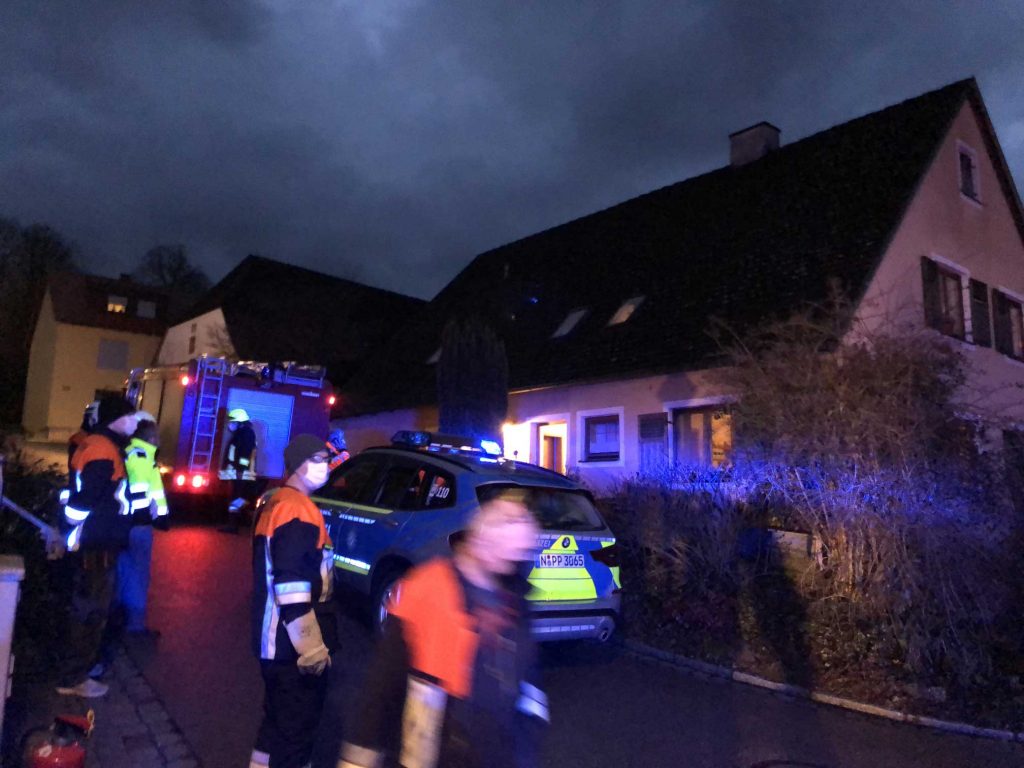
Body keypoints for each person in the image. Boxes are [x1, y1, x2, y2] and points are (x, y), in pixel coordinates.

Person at [337, 488, 549, 768]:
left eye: (524, 522)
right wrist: (358, 760)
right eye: (507, 519)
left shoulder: (515, 600)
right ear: (478, 527)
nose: (519, 531)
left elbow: (529, 687)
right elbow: (381, 692)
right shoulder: (429, 589)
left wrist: (525, 751)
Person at [249, 434, 336, 768]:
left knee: (275, 726)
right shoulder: (298, 510)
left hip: (273, 644)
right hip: (289, 649)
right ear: (298, 465)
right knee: (296, 736)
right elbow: (292, 585)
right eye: (318, 459)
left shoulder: (277, 502)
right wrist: (310, 648)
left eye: (326, 459)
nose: (325, 466)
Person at [55, 395, 138, 698]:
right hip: (97, 543)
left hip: (97, 540)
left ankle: (75, 671)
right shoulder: (103, 449)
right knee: (90, 611)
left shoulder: (101, 445)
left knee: (90, 607)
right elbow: (86, 499)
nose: (135, 422)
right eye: (131, 417)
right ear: (117, 419)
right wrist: (69, 528)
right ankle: (73, 677)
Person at [117, 413, 169, 637]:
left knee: (125, 571)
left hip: (129, 523)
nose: (159, 440)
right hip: (138, 525)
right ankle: (134, 626)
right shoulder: (141, 456)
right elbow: (139, 491)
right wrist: (147, 518)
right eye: (157, 436)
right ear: (151, 438)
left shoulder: (132, 452)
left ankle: (118, 620)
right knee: (138, 575)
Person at [221, 407, 258, 533]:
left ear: (240, 422)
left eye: (232, 422)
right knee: (237, 497)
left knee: (237, 498)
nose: (230, 424)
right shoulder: (242, 433)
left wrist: (240, 469)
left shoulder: (246, 434)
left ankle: (234, 524)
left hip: (241, 472)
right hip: (238, 471)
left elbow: (245, 454)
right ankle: (238, 521)